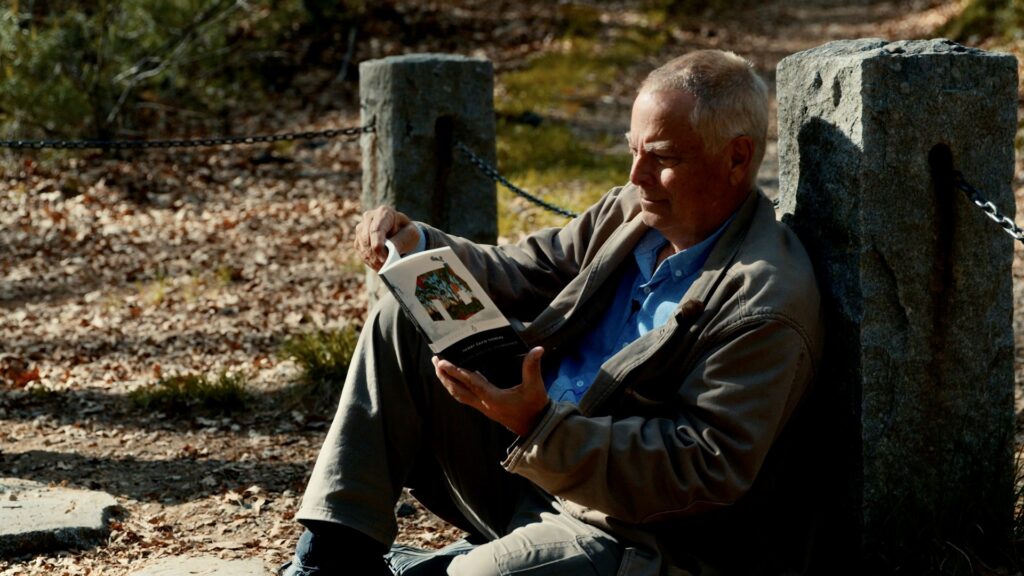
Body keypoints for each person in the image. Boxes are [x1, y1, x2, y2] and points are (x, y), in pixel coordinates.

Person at [282, 49, 824, 576]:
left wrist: (540, 425)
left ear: (737, 157)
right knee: (404, 319)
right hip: (530, 460)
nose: (636, 177)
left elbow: (703, 467)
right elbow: (528, 269)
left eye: (662, 158)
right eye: (632, 150)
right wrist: (419, 245)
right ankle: (335, 556)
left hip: (633, 533)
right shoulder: (629, 212)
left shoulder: (764, 301)